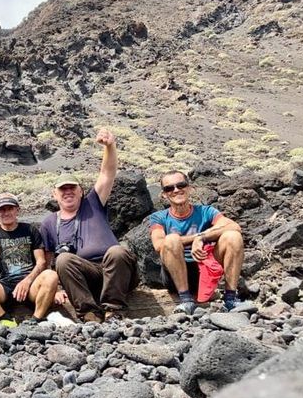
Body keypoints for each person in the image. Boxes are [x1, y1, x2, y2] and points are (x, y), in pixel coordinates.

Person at [39, 129, 137, 323]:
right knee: (64, 259)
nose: (67, 192)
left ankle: (114, 311)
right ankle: (89, 314)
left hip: (117, 271)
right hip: (85, 277)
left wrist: (110, 146)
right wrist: (55, 289)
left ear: (81, 191)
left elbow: (107, 173)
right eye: (62, 189)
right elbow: (48, 261)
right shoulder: (49, 223)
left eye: (72, 188)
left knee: (118, 251)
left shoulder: (93, 203)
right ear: (55, 194)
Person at [149, 170, 247, 314]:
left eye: (180, 185)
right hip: (175, 275)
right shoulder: (158, 217)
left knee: (233, 237)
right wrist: (194, 239)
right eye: (169, 188)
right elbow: (158, 245)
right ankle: (185, 300)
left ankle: (231, 298)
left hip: (204, 268)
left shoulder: (206, 212)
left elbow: (234, 226)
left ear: (189, 188)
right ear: (164, 194)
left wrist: (202, 238)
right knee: (171, 240)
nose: (176, 190)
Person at [0, 193, 65, 327]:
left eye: (10, 208)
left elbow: (41, 262)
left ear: (17, 210)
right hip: (4, 286)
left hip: (31, 285)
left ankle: (36, 319)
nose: (6, 212)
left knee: (50, 275)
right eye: (2, 210)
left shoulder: (30, 229)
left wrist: (27, 281)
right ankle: (4, 317)